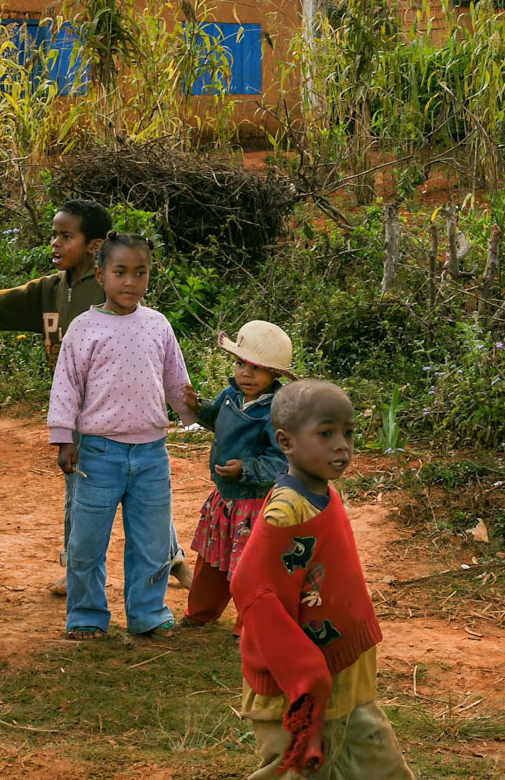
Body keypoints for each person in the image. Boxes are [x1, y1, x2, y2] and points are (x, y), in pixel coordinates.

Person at [0, 200, 195, 596]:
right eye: (54, 234)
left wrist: (193, 410)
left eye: (66, 236)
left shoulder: (110, 295)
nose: (55, 243)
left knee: (141, 493)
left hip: (124, 416)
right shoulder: (51, 290)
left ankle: (164, 561)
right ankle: (83, 571)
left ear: (93, 246)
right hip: (83, 416)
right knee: (83, 493)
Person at [230, 378, 411, 780]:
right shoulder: (285, 511)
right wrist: (303, 672)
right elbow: (251, 588)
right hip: (297, 685)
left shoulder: (323, 492)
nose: (341, 445)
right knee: (292, 768)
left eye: (348, 433)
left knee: (378, 764)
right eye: (326, 433)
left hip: (344, 673)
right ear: (286, 442)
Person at [49, 232, 196, 639]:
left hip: (152, 455)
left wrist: (196, 415)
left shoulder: (158, 325)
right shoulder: (83, 328)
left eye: (140, 272)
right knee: (86, 544)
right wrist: (64, 439)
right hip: (97, 455)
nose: (130, 281)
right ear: (100, 274)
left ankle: (148, 614)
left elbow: (175, 381)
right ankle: (86, 616)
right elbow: (66, 386)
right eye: (120, 272)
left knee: (150, 543)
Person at [179, 320, 292, 629]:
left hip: (256, 506)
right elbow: (218, 421)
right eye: (241, 363)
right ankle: (199, 614)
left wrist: (246, 469)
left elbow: (282, 460)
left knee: (252, 568)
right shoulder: (230, 395)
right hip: (226, 500)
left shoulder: (276, 412)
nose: (245, 373)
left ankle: (251, 626)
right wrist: (198, 408)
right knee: (212, 561)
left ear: (275, 374)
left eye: (256, 368)